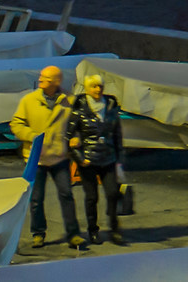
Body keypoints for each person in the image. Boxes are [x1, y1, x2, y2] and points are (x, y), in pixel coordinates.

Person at [9, 66, 78, 248]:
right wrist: (32, 136)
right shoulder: (29, 101)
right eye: (41, 76)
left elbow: (77, 124)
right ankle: (38, 233)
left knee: (67, 195)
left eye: (45, 78)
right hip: (36, 158)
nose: (40, 80)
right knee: (36, 199)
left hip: (60, 156)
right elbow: (16, 124)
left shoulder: (69, 101)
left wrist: (76, 138)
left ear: (56, 82)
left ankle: (73, 234)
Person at [64, 72, 127, 247]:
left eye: (100, 86)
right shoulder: (79, 108)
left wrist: (120, 159)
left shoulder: (111, 106)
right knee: (91, 198)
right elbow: (67, 138)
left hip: (108, 158)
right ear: (87, 88)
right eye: (94, 86)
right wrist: (79, 158)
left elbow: (117, 135)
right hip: (88, 160)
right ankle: (93, 230)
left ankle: (115, 229)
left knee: (113, 194)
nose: (97, 89)